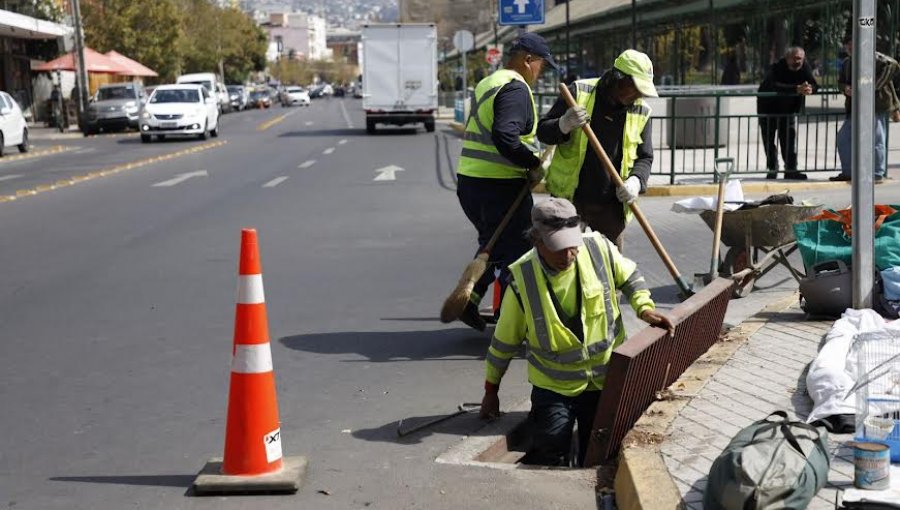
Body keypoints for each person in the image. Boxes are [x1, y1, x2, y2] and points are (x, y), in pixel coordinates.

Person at [479, 198, 675, 467]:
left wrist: (644, 308)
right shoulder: (522, 279)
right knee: (550, 447)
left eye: (573, 246)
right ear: (537, 241)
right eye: (559, 248)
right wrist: (491, 390)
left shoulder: (598, 248)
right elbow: (504, 343)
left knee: (598, 451)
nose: (568, 255)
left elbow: (629, 276)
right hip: (554, 387)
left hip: (604, 379)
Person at [454, 33, 561, 331]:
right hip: (499, 186)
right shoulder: (516, 89)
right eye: (541, 65)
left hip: (471, 183)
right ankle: (512, 321)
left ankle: (470, 299)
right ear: (528, 60)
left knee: (495, 245)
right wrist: (533, 163)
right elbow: (505, 135)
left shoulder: (491, 81)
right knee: (520, 253)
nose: (541, 73)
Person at [537, 49, 656, 248]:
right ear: (618, 79)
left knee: (611, 268)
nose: (638, 95)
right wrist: (563, 124)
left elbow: (645, 157)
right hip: (571, 201)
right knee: (564, 261)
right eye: (634, 88)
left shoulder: (641, 110)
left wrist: (636, 181)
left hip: (611, 206)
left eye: (642, 91)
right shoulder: (578, 93)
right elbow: (543, 132)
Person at [830, 39, 900, 183]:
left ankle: (877, 173)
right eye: (849, 46)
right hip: (855, 106)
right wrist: (846, 89)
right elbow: (841, 82)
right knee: (844, 137)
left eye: (853, 44)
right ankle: (849, 172)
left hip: (875, 105)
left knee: (876, 139)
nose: (850, 48)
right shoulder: (847, 62)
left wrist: (872, 87)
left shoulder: (875, 58)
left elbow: (892, 64)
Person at [756, 47, 818, 180]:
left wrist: (809, 88)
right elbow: (774, 85)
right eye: (794, 59)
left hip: (788, 110)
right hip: (768, 108)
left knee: (789, 140)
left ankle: (791, 169)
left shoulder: (804, 67)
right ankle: (772, 168)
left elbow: (814, 84)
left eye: (800, 59)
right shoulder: (777, 67)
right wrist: (796, 89)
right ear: (787, 58)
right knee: (769, 140)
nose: (797, 62)